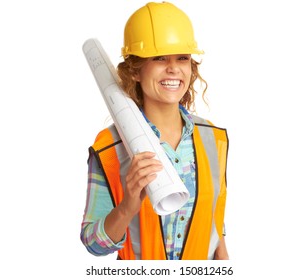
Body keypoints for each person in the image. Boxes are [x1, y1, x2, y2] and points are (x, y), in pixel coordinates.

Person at [81, 1, 229, 260]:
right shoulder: (110, 147)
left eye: (182, 57)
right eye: (159, 58)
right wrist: (127, 206)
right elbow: (94, 243)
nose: (173, 68)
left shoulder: (213, 138)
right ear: (136, 70)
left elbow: (215, 223)